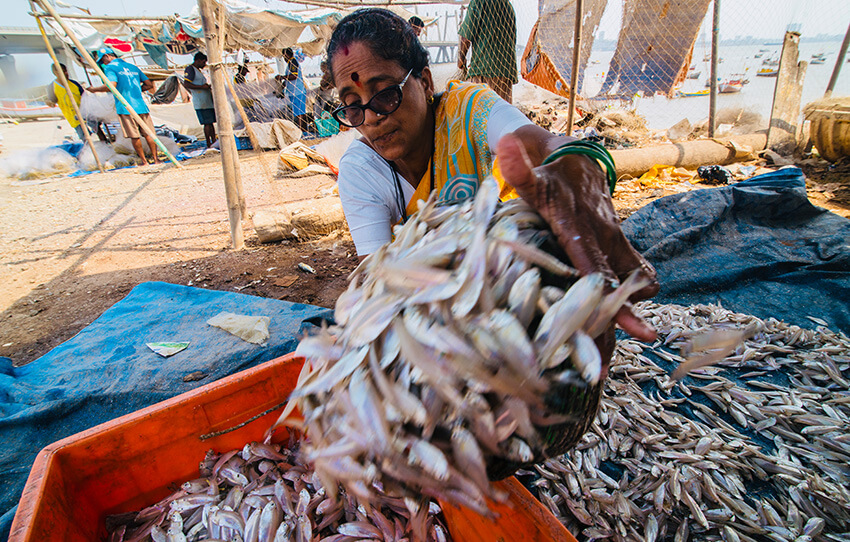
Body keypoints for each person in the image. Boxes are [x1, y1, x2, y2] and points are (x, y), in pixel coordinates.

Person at [328, 9, 658, 368]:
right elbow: (376, 280)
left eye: (385, 94)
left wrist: (576, 160)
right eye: (352, 106)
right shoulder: (362, 169)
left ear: (424, 82)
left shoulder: (468, 109)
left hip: (508, 282)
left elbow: (536, 144)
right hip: (437, 315)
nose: (373, 117)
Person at [88, 48, 160, 164]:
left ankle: (144, 161)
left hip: (125, 107)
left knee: (134, 136)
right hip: (140, 105)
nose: (104, 63)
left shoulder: (110, 68)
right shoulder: (132, 67)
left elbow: (111, 86)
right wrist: (136, 89)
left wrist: (94, 90)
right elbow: (148, 84)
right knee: (149, 133)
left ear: (107, 56)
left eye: (103, 60)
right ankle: (157, 159)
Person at [457, 0, 518, 103]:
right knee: (501, 114)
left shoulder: (479, 2)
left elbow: (466, 35)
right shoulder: (508, 5)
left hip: (484, 69)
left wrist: (461, 59)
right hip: (506, 72)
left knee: (479, 112)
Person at [46, 63, 105, 142]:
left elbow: (85, 96)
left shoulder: (74, 83)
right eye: (62, 71)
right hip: (73, 117)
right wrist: (49, 103)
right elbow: (52, 101)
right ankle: (90, 150)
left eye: (66, 71)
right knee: (85, 137)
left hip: (85, 112)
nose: (66, 73)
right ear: (55, 73)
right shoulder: (52, 87)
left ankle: (105, 144)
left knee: (98, 129)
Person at [183, 52, 217, 148]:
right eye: (203, 62)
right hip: (201, 102)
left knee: (210, 123)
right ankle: (208, 143)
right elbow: (186, 84)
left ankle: (214, 141)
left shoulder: (198, 71)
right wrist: (201, 87)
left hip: (207, 101)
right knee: (206, 123)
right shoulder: (190, 69)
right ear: (197, 61)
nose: (204, 64)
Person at [280, 47, 311, 133]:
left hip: (297, 91)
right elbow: (288, 79)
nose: (284, 58)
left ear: (287, 55)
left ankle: (301, 131)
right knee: (300, 112)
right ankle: (304, 130)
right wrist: (282, 87)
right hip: (295, 92)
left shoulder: (292, 62)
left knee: (299, 113)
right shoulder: (290, 63)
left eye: (284, 56)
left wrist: (282, 77)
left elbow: (294, 76)